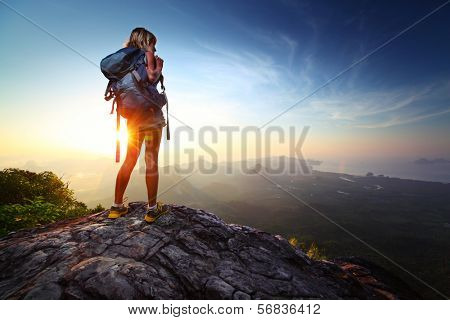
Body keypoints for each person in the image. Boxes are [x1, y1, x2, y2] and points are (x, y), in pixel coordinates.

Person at [108, 27, 170, 223]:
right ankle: (152, 210)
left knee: (130, 159)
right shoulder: (147, 54)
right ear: (147, 41)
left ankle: (117, 207)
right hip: (151, 118)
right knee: (151, 160)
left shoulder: (123, 62)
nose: (155, 47)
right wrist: (159, 68)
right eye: (153, 43)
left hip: (132, 119)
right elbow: (151, 78)